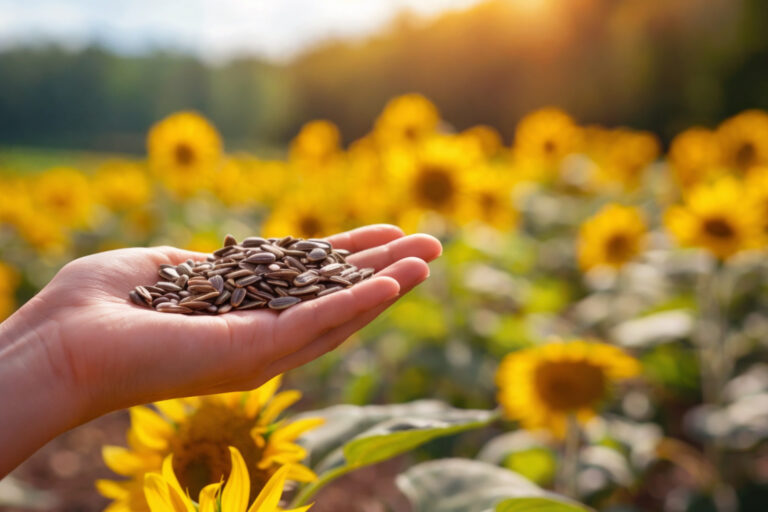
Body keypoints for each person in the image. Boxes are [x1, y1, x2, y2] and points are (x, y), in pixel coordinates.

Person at [0, 224, 442, 477]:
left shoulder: (242, 275)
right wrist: (58, 353)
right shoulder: (215, 280)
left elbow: (263, 271)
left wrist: (53, 351)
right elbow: (253, 272)